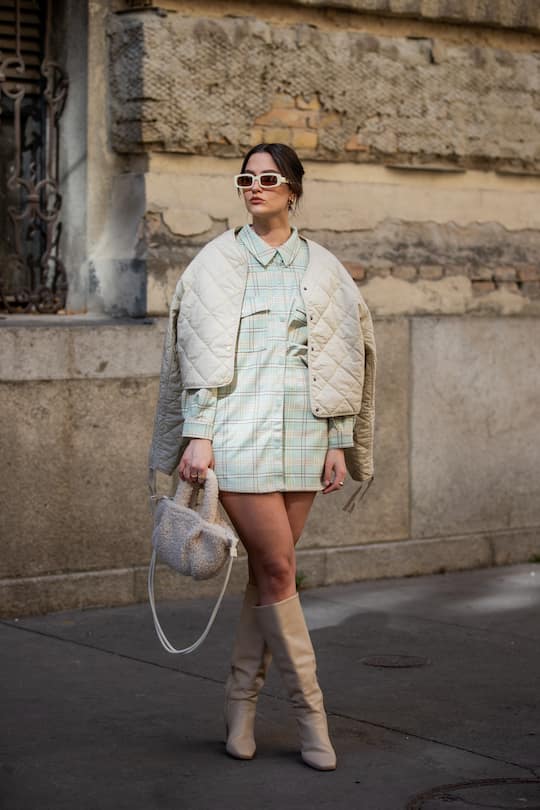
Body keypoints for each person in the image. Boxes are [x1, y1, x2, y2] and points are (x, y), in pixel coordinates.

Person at [149, 143, 376, 771]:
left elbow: (341, 358)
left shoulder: (324, 267)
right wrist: (198, 434)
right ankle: (313, 721)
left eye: (268, 178)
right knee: (279, 570)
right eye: (246, 179)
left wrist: (337, 439)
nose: (255, 187)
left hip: (305, 436)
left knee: (265, 576)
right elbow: (194, 354)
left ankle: (240, 708)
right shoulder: (216, 262)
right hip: (237, 436)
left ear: (293, 190)